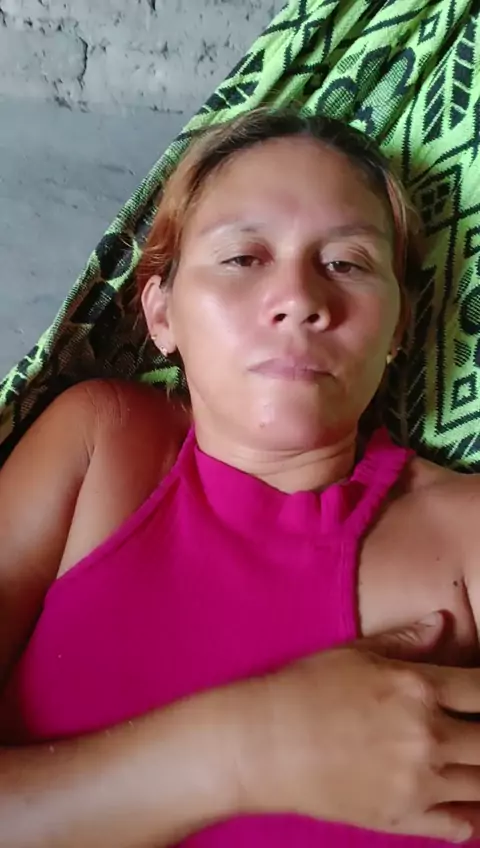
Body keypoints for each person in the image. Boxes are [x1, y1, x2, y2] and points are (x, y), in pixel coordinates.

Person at [1, 109, 480, 848]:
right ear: (161, 313)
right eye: (243, 257)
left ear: (398, 329)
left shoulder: (466, 534)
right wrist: (247, 749)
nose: (301, 300)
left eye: (346, 263)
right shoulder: (101, 449)